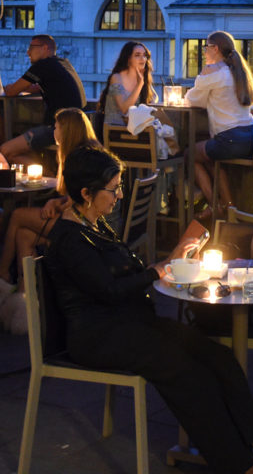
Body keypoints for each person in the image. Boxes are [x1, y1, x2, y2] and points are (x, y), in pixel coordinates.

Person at [42, 145, 253, 474]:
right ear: (86, 193)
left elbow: (122, 275)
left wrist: (175, 257)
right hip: (99, 336)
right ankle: (242, 467)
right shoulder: (71, 239)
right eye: (114, 188)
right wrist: (158, 270)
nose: (119, 195)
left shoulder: (95, 224)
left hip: (129, 323)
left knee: (217, 357)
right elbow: (107, 291)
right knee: (188, 374)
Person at [0, 108, 99, 298]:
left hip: (82, 229)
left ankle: (3, 275)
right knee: (23, 235)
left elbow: (79, 202)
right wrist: (56, 201)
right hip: (84, 223)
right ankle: (25, 293)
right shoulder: (87, 150)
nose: (53, 131)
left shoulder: (78, 157)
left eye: (56, 127)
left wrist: (56, 204)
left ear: (67, 130)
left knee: (18, 215)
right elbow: (76, 197)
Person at [184, 31, 253, 219]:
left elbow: (192, 101)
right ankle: (229, 207)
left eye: (206, 48)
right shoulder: (236, 71)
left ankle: (215, 205)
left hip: (230, 140)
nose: (204, 52)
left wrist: (202, 75)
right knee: (211, 157)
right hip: (250, 136)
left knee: (190, 153)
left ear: (215, 48)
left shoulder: (215, 73)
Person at [0, 35, 86, 166]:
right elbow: (40, 87)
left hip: (56, 129)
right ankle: (48, 174)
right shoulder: (63, 63)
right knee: (26, 148)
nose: (28, 52)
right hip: (77, 128)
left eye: (31, 48)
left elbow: (12, 91)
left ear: (45, 48)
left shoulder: (42, 65)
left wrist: (7, 87)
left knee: (5, 151)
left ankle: (47, 177)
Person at [99, 41, 156, 126]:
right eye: (137, 55)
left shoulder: (142, 77)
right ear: (128, 59)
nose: (142, 59)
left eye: (144, 55)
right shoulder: (116, 78)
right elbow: (124, 109)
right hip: (115, 129)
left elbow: (153, 99)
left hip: (137, 127)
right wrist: (139, 85)